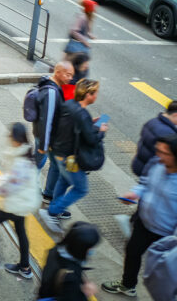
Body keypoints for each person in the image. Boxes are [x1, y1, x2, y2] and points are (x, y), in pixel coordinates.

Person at [102, 135, 177, 297]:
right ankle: (128, 285)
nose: (158, 155)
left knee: (165, 272)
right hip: (144, 223)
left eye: (164, 153)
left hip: (166, 235)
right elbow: (145, 184)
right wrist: (135, 193)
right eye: (157, 150)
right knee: (132, 252)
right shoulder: (157, 164)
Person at [40, 79, 106, 234]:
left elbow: (74, 126)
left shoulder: (70, 105)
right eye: (95, 93)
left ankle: (55, 208)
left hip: (60, 153)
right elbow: (91, 140)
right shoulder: (82, 114)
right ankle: (52, 211)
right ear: (88, 95)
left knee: (64, 180)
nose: (96, 96)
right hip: (70, 157)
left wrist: (90, 123)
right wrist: (101, 131)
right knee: (81, 188)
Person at [0, 122, 40, 279]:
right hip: (23, 202)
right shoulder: (26, 153)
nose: (8, 137)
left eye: (10, 135)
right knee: (21, 232)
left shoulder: (21, 162)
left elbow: (10, 186)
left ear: (17, 140)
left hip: (16, 204)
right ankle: (25, 267)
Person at [33, 61, 74, 204]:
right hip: (46, 138)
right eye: (68, 75)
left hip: (47, 137)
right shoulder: (51, 92)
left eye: (72, 75)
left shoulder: (54, 86)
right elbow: (47, 120)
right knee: (40, 162)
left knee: (51, 164)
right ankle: (37, 191)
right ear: (58, 73)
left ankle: (48, 194)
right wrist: (44, 145)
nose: (70, 78)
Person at [39, 222, 101, 300]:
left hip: (46, 291)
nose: (92, 250)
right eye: (90, 247)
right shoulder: (71, 277)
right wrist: (86, 293)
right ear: (81, 249)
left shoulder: (56, 249)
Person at [132, 100, 177, 177]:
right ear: (175, 115)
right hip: (151, 173)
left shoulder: (153, 121)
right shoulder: (168, 134)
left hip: (139, 164)